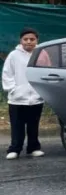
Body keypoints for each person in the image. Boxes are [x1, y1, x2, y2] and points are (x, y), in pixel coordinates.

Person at [2, 27, 46, 160]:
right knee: (17, 125)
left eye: (32, 39)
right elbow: (7, 74)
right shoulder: (13, 55)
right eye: (25, 39)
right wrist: (13, 90)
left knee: (33, 125)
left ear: (37, 40)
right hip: (17, 99)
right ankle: (15, 149)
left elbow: (45, 72)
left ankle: (33, 148)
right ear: (20, 40)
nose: (29, 42)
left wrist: (41, 91)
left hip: (36, 98)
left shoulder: (41, 54)